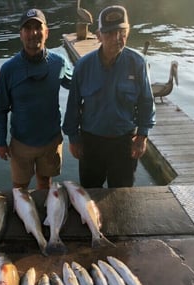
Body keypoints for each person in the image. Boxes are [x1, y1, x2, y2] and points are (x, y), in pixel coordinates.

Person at [62, 5, 155, 188]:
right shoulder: (83, 66)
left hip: (124, 143)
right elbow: (73, 105)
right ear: (98, 35)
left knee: (121, 195)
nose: (117, 38)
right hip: (91, 142)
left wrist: (142, 136)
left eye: (122, 32)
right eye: (110, 33)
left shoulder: (138, 64)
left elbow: (146, 102)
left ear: (128, 31)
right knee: (90, 193)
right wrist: (73, 138)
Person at [0, 8, 72, 190]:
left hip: (51, 140)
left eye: (38, 27)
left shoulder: (59, 63)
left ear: (46, 32)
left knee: (45, 184)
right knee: (19, 188)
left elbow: (78, 88)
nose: (33, 33)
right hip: (21, 142)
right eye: (27, 28)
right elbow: (0, 109)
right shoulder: (8, 69)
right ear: (20, 34)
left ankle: (45, 217)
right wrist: (1, 141)